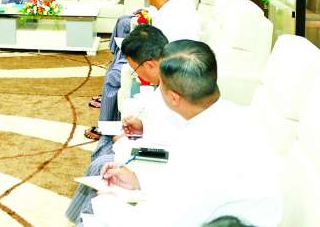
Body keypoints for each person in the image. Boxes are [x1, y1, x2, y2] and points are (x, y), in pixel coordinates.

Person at [92, 40, 282, 227]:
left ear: (174, 97)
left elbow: (163, 221)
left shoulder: (201, 150)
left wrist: (106, 203)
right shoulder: (239, 115)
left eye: (161, 85)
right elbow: (179, 179)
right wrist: (138, 180)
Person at [66, 25, 185, 223]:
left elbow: (169, 147)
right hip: (151, 147)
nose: (137, 75)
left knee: (103, 166)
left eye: (135, 68)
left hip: (157, 159)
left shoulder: (176, 93)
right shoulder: (167, 83)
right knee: (104, 151)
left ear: (150, 65)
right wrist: (142, 127)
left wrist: (126, 145)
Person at [87, 0, 200, 140]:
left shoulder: (172, 14)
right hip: (168, 59)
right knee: (119, 59)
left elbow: (159, 50)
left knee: (113, 75)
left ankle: (107, 129)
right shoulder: (175, 5)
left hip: (170, 67)